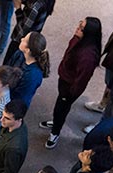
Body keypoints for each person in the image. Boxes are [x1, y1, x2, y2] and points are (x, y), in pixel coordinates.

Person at [42, 17, 102, 148]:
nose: (77, 28)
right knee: (59, 106)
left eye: (81, 28)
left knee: (62, 108)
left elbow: (81, 80)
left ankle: (55, 132)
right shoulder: (79, 40)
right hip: (64, 78)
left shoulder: (88, 56)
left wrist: (71, 93)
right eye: (79, 24)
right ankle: (57, 121)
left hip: (69, 87)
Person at [3, 0, 57, 66]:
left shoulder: (34, 7)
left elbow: (23, 28)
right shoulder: (47, 2)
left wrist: (18, 8)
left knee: (9, 62)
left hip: (21, 39)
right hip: (33, 37)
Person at [8, 33, 50, 111]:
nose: (21, 39)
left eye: (25, 40)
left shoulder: (32, 75)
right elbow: (9, 67)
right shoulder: (20, 53)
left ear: (28, 50)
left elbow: (19, 97)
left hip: (14, 103)